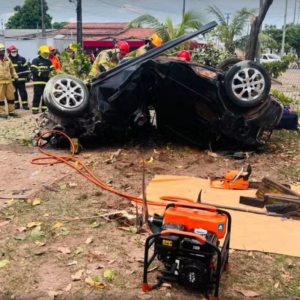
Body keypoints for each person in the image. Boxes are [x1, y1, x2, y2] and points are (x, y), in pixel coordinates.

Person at [31, 45, 54, 114]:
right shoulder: (36, 60)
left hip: (46, 82)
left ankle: (44, 109)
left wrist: (48, 73)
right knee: (37, 96)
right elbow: (33, 70)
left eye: (47, 53)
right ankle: (35, 109)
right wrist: (41, 73)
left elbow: (52, 70)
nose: (46, 55)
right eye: (44, 53)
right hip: (38, 82)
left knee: (45, 96)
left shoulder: (48, 61)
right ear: (40, 53)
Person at [7, 45, 29, 110]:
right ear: (9, 52)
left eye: (15, 51)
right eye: (12, 51)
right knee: (14, 93)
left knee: (23, 93)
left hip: (21, 80)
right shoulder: (7, 59)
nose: (14, 52)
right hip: (12, 80)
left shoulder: (22, 59)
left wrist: (27, 76)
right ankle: (16, 104)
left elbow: (26, 68)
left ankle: (25, 104)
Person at [0, 43, 19, 118]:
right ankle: (1, 112)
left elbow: (12, 69)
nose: (2, 52)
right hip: (0, 83)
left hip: (9, 82)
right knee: (0, 98)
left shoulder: (7, 59)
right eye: (0, 51)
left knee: (11, 97)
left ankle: (12, 111)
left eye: (3, 50)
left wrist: (15, 75)